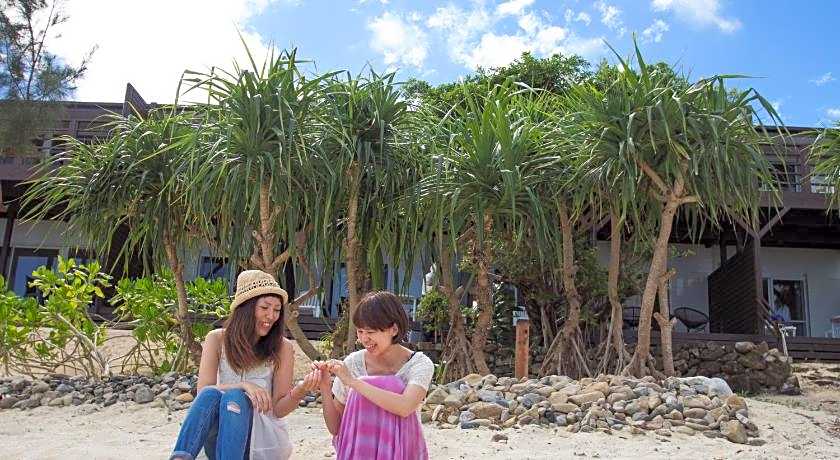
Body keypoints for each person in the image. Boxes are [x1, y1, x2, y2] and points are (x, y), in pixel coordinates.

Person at [170, 270, 321, 460]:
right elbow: (202, 394)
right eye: (265, 307)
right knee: (212, 393)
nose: (271, 316)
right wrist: (244, 385)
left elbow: (279, 409)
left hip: (259, 439)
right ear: (246, 308)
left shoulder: (283, 347)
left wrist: (301, 389)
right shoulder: (216, 339)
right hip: (217, 434)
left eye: (276, 310)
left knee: (235, 397)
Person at [310, 290, 434, 460]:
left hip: (401, 450)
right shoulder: (353, 362)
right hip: (360, 450)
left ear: (394, 329)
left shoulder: (418, 363)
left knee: (392, 384)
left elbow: (405, 407)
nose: (364, 339)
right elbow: (336, 428)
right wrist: (325, 387)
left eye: (370, 332)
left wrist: (354, 382)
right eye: (360, 332)